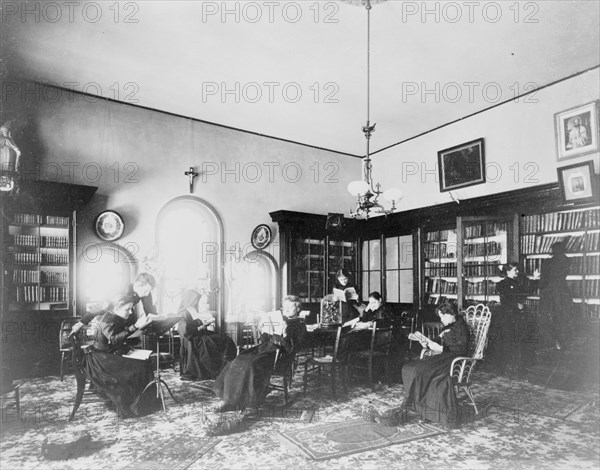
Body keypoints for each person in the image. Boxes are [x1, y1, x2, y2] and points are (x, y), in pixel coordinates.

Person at [211, 295, 307, 412]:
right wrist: (264, 331)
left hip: (279, 356)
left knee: (251, 365)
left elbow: (291, 348)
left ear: (297, 309)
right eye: (284, 307)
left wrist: (285, 334)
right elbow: (266, 340)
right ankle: (230, 400)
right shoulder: (282, 321)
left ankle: (251, 402)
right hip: (266, 349)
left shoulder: (299, 325)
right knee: (239, 360)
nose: (285, 310)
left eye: (290, 307)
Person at [81, 294, 160, 418]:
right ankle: (134, 405)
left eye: (131, 308)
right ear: (117, 308)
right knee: (138, 366)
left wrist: (137, 328)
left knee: (144, 361)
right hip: (101, 359)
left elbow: (118, 338)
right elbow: (113, 339)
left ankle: (143, 402)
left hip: (110, 354)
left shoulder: (115, 317)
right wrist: (136, 326)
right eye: (127, 309)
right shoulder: (107, 319)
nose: (130, 312)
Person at [400, 301, 469, 428]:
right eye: (440, 316)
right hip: (442, 357)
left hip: (453, 360)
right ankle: (422, 409)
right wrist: (425, 342)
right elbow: (437, 341)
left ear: (451, 313)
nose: (441, 319)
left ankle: (426, 410)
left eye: (443, 316)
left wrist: (441, 349)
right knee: (409, 368)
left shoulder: (460, 326)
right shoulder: (448, 325)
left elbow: (462, 349)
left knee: (420, 371)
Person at [177, 289, 237, 381]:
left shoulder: (192, 310)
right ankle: (220, 368)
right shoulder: (184, 313)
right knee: (222, 340)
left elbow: (195, 323)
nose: (196, 302)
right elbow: (186, 332)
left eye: (197, 300)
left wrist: (203, 324)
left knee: (225, 339)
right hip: (193, 339)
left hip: (200, 334)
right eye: (195, 300)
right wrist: (200, 327)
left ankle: (226, 367)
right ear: (189, 300)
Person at [72, 273, 158, 334]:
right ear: (138, 285)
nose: (147, 294)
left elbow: (150, 311)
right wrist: (80, 323)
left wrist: (159, 320)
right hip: (110, 321)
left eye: (149, 291)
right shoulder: (120, 288)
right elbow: (101, 306)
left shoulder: (145, 293)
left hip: (127, 319)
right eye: (146, 290)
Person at [496, 262, 536, 376]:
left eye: (517, 270)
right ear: (508, 271)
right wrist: (517, 304)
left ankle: (515, 367)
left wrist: (534, 279)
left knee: (516, 341)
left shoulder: (517, 283)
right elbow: (509, 298)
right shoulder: (501, 284)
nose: (517, 272)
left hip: (516, 316)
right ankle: (507, 368)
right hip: (507, 316)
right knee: (508, 341)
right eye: (515, 270)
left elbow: (526, 293)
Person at [535, 241, 573, 350]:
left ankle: (550, 343)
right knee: (562, 318)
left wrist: (537, 281)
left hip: (549, 294)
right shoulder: (567, 260)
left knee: (546, 318)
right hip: (563, 293)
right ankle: (562, 343)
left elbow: (543, 282)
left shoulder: (547, 262)